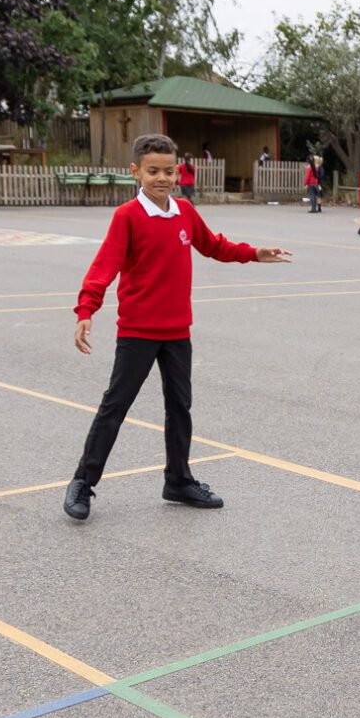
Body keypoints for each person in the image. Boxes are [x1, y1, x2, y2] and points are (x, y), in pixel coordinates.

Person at [63, 133, 292, 521]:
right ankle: (83, 482)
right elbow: (105, 267)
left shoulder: (184, 211)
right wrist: (87, 310)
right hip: (137, 332)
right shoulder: (127, 217)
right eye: (153, 171)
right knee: (114, 407)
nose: (162, 178)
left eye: (169, 171)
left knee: (179, 407)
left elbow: (214, 245)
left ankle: (179, 480)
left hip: (176, 332)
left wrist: (253, 253)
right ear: (136, 171)